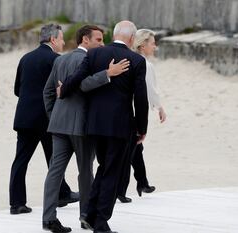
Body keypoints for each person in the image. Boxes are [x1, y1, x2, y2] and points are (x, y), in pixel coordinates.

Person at [59, 20, 149, 233]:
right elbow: (141, 99)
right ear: (131, 38)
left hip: (95, 124)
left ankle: (90, 214)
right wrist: (142, 128)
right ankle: (101, 221)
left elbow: (77, 79)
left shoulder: (94, 54)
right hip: (119, 125)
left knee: (103, 168)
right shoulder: (136, 60)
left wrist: (64, 91)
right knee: (112, 172)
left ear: (114, 35)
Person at [42, 25, 130, 233]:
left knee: (55, 171)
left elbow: (48, 92)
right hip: (81, 125)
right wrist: (108, 73)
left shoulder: (60, 59)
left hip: (59, 124)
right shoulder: (89, 60)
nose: (102, 44)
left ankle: (48, 218)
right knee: (85, 171)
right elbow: (82, 85)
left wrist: (53, 116)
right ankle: (86, 216)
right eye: (98, 40)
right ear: (85, 40)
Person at [10, 23, 78, 215]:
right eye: (62, 38)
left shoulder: (25, 58)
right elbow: (62, 90)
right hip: (48, 118)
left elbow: (17, 90)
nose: (64, 42)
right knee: (55, 160)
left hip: (24, 117)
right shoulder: (56, 59)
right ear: (53, 39)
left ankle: (17, 203)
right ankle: (61, 194)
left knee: (21, 160)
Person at [117, 29, 167, 203]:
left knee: (136, 148)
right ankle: (121, 190)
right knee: (131, 149)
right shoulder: (144, 64)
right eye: (153, 43)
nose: (155, 46)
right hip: (135, 111)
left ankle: (142, 182)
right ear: (143, 45)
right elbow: (149, 90)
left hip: (124, 110)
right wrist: (159, 107)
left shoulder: (127, 59)